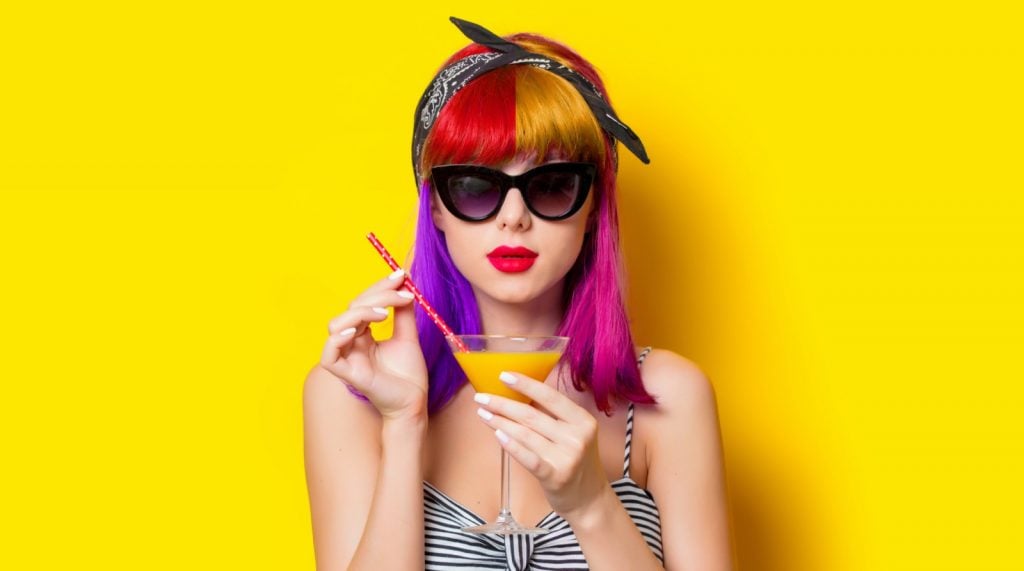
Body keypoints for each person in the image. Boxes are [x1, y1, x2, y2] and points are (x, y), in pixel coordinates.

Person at [304, 17, 732, 570]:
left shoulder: (669, 399)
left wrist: (590, 503)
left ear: (593, 206)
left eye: (551, 186)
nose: (514, 218)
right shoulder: (352, 392)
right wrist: (404, 426)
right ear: (435, 206)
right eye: (477, 187)